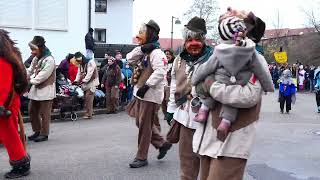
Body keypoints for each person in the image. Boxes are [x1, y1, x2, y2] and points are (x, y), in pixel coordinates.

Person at [192, 8, 269, 180]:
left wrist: (212, 87)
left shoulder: (255, 59)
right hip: (207, 138)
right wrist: (198, 93)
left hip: (232, 141)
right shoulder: (218, 54)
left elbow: (248, 95)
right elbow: (197, 82)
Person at [191, 14, 274, 140]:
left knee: (226, 99)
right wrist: (269, 86)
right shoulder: (248, 53)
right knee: (231, 105)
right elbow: (262, 73)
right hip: (208, 135)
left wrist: (207, 84)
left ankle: (204, 111)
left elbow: (247, 96)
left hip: (234, 138)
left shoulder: (220, 52)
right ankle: (225, 122)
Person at [166, 16, 214, 180]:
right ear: (185, 40)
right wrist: (171, 109)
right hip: (184, 119)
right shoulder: (178, 60)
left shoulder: (214, 58)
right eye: (189, 39)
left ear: (203, 39)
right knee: (187, 166)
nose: (193, 43)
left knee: (208, 166)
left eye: (197, 39)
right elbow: (174, 84)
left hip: (208, 120)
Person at [126, 19, 172, 168]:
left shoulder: (157, 53)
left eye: (143, 32)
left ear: (150, 33)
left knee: (144, 127)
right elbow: (129, 58)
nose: (140, 35)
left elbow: (160, 71)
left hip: (150, 95)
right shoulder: (147, 50)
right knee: (140, 123)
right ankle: (161, 143)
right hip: (141, 93)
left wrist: (147, 86)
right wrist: (143, 48)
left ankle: (141, 157)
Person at [0, 29, 31, 179]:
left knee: (10, 136)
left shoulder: (2, 61)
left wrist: (1, 105)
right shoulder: (9, 57)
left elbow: (3, 86)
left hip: (5, 105)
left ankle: (21, 163)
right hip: (8, 102)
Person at [27, 36, 56, 142]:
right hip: (36, 89)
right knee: (32, 110)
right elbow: (30, 70)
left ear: (40, 48)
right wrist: (22, 75)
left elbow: (43, 75)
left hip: (46, 90)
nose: (32, 52)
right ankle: (37, 131)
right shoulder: (36, 58)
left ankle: (44, 134)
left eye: (34, 49)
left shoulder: (50, 60)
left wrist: (29, 81)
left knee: (45, 113)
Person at [74, 52, 99, 119]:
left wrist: (83, 80)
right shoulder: (81, 64)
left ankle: (89, 114)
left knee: (89, 99)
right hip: (86, 84)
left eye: (79, 61)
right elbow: (79, 73)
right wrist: (76, 80)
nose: (78, 62)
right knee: (86, 99)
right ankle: (89, 112)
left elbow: (90, 74)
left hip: (92, 83)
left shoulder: (90, 62)